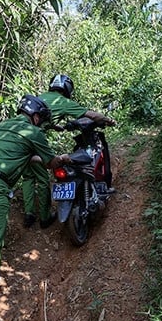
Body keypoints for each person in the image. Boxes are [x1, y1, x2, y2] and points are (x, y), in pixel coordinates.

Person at [0, 95, 71, 305]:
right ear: (36, 117)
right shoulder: (33, 132)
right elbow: (50, 162)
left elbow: (25, 156)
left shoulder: (3, 127)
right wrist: (64, 158)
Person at [21, 74, 117, 227]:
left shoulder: (39, 98)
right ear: (67, 88)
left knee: (28, 177)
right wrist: (108, 120)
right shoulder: (64, 102)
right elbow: (91, 115)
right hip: (35, 141)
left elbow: (40, 117)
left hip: (20, 140)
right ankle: (45, 218)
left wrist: (54, 126)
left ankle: (29, 214)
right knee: (43, 179)